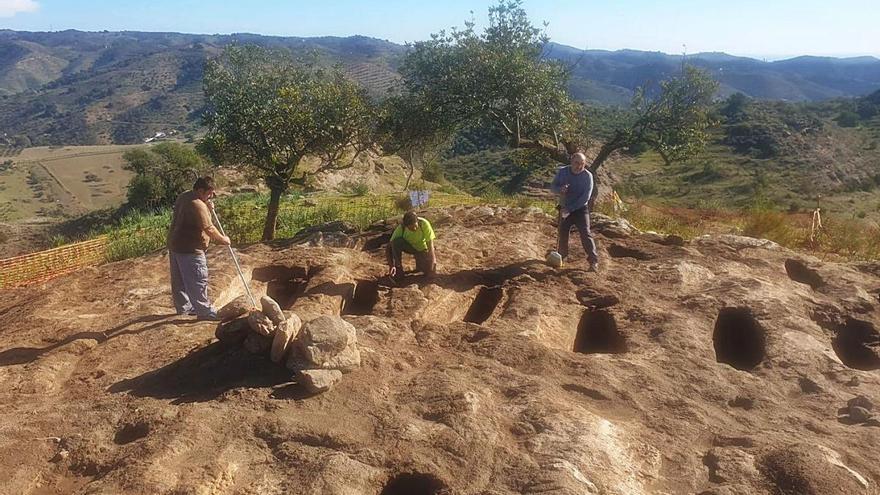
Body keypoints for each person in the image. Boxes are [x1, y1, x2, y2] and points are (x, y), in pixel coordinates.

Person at [167, 176, 231, 319]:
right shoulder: (197, 204)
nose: (211, 196)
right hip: (191, 250)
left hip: (175, 245)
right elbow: (208, 228)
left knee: (180, 281)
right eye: (209, 193)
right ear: (201, 190)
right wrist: (223, 239)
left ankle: (184, 308)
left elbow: (196, 218)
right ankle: (204, 312)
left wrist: (207, 206)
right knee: (198, 280)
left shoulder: (184, 196)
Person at [551, 152, 600, 271]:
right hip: (564, 206)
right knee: (562, 233)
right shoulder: (563, 172)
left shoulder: (588, 176)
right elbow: (553, 187)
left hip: (580, 209)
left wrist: (570, 209)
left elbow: (585, 197)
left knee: (585, 233)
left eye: (582, 164)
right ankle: (562, 256)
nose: (579, 166)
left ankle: (593, 261)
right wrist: (559, 190)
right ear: (571, 161)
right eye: (576, 163)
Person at [386, 211, 437, 280]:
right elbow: (389, 247)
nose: (414, 229)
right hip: (410, 247)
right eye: (410, 228)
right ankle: (399, 270)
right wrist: (391, 265)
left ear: (417, 221)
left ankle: (420, 261)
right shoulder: (401, 228)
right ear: (406, 226)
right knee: (396, 242)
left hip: (422, 249)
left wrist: (432, 267)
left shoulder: (424, 224)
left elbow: (431, 248)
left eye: (415, 226)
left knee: (426, 270)